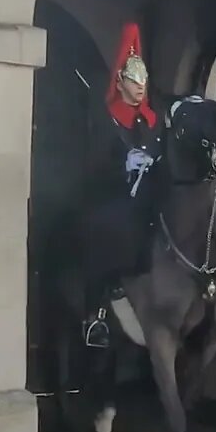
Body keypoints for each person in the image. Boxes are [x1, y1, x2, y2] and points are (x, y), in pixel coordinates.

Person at [78, 21, 165, 347]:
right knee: (108, 227)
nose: (140, 86)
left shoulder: (153, 121)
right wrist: (123, 164)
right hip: (114, 196)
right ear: (120, 81)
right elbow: (94, 162)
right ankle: (97, 313)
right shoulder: (106, 118)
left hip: (151, 197)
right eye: (133, 79)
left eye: (143, 80)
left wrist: (156, 162)